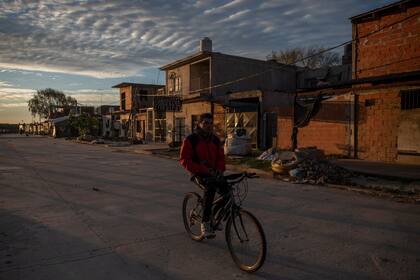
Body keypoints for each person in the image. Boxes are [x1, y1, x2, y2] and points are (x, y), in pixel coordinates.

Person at [179, 113, 226, 238]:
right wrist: (203, 169)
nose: (208, 125)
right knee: (210, 189)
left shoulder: (215, 140)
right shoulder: (191, 140)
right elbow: (184, 159)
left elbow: (221, 158)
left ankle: (214, 218)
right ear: (199, 124)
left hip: (213, 173)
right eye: (205, 123)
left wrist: (220, 170)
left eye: (210, 123)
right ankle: (205, 223)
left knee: (228, 191)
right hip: (198, 173)